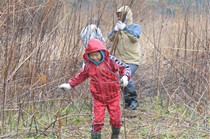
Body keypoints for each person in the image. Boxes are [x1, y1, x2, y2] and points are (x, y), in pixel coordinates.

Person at [58, 38, 131, 139]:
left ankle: (115, 135)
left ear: (102, 52)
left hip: (113, 96)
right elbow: (80, 76)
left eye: (97, 55)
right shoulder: (89, 66)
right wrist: (70, 85)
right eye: (92, 55)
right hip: (98, 98)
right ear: (88, 55)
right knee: (97, 121)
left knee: (116, 119)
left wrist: (125, 77)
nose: (95, 58)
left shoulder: (110, 60)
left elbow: (125, 67)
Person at [108, 5, 142, 110]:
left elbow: (135, 38)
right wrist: (114, 30)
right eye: (118, 15)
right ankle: (127, 103)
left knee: (127, 76)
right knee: (122, 80)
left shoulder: (135, 27)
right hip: (119, 60)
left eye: (122, 15)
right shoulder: (118, 28)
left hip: (132, 59)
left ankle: (133, 101)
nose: (120, 17)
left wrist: (125, 28)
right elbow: (110, 38)